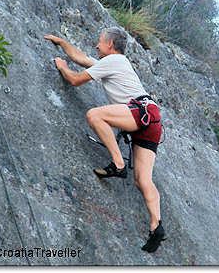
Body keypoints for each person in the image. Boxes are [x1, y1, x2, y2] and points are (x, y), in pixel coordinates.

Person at [44, 27, 165, 253]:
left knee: (95, 115)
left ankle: (118, 164)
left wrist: (62, 67)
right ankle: (156, 225)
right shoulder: (114, 63)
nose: (97, 45)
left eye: (100, 42)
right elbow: (81, 57)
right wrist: (61, 42)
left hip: (139, 112)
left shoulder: (114, 61)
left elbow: (76, 80)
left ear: (110, 45)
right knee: (143, 180)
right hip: (151, 119)